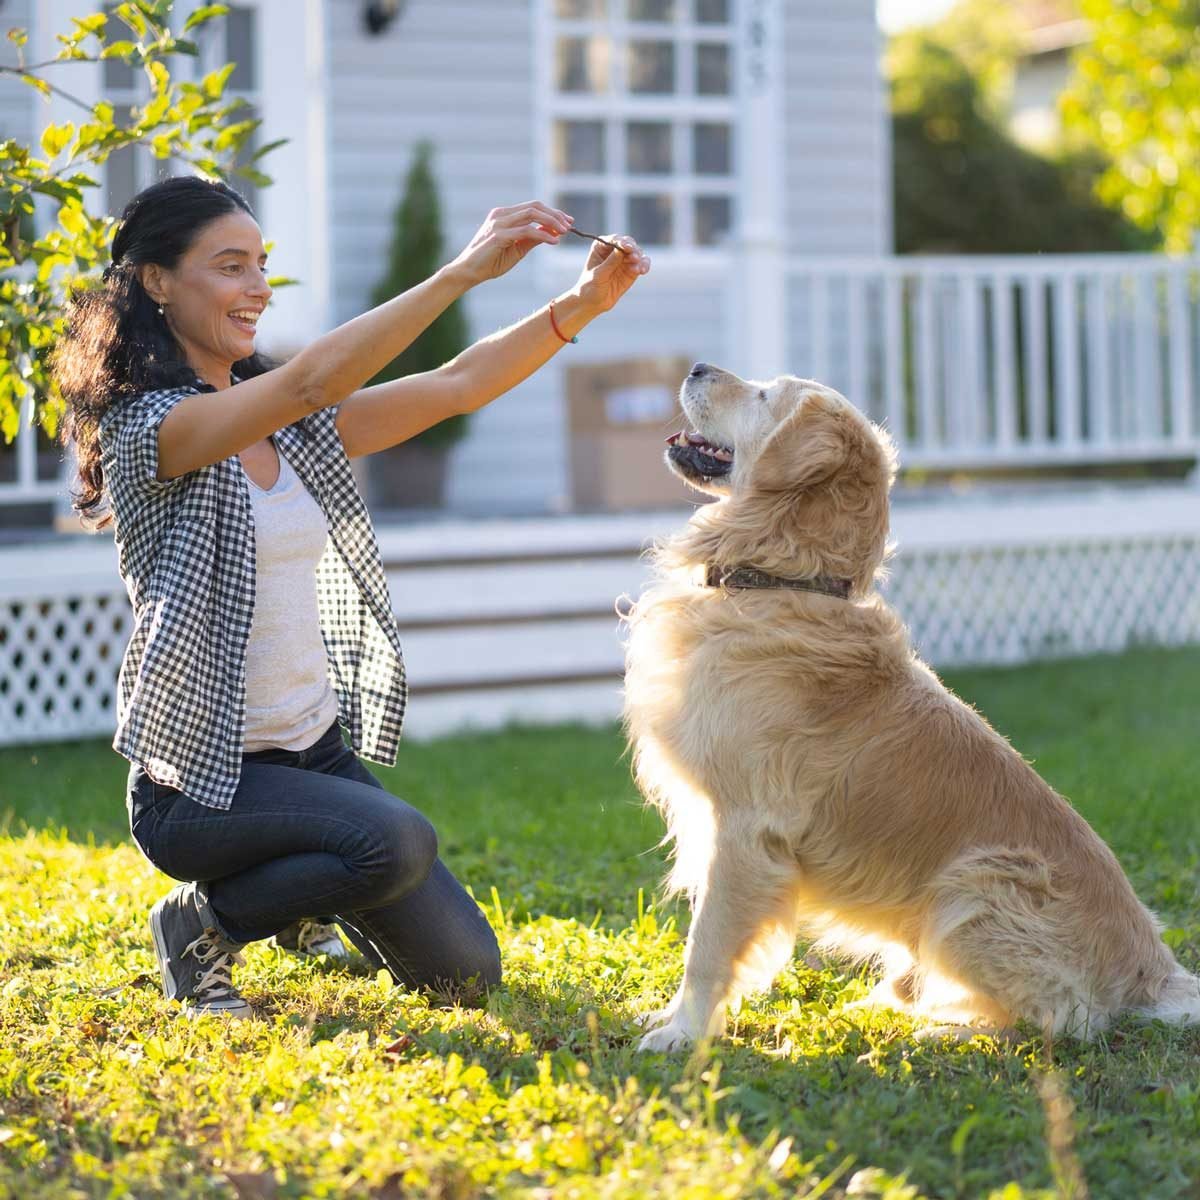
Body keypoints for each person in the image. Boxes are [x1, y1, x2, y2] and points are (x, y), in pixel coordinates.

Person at [54, 174, 650, 1018]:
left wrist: (583, 304)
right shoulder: (150, 429)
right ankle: (202, 924)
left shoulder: (287, 428)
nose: (257, 287)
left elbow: (456, 385)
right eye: (230, 266)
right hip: (202, 786)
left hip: (314, 753)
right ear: (157, 281)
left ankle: (299, 900)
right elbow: (309, 382)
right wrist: (460, 273)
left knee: (464, 977)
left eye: (262, 264)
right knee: (396, 839)